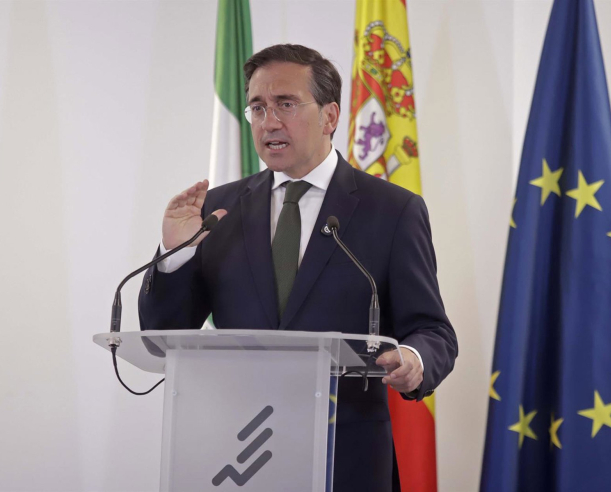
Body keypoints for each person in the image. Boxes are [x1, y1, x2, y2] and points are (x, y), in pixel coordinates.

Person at [139, 44, 457, 492]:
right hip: (236, 456)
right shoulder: (218, 209)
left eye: (285, 104)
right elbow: (161, 333)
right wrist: (175, 254)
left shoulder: (392, 210)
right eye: (257, 107)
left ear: (330, 116)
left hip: (346, 459)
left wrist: (415, 359)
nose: (269, 121)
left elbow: (433, 330)